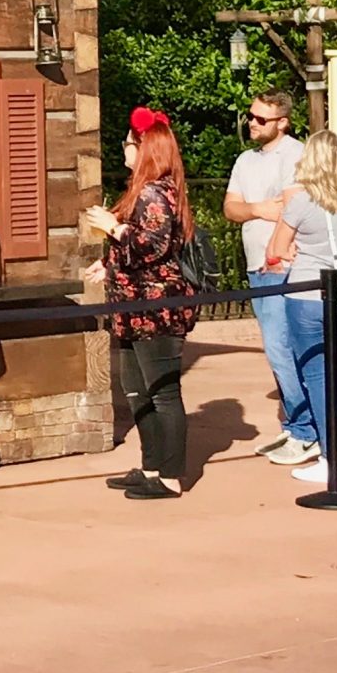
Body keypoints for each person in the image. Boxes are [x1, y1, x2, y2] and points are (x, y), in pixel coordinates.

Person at [83, 106, 199, 500]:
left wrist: (112, 227)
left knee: (163, 392)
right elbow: (138, 248)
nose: (124, 148)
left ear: (145, 148)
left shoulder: (154, 193)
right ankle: (151, 466)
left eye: (129, 143)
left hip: (156, 309)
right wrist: (107, 263)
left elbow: (152, 245)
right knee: (136, 388)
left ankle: (170, 476)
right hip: (134, 307)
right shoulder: (145, 189)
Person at [267, 126, 337, 486]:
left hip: (307, 295)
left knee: (315, 377)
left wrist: (292, 251)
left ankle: (329, 457)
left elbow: (276, 249)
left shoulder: (302, 201)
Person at [223, 89, 312, 465]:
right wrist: (259, 207)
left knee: (282, 347)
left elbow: (291, 208)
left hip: (282, 265)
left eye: (261, 118)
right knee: (277, 348)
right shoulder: (245, 160)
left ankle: (306, 429)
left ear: (283, 122)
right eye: (251, 116)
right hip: (256, 264)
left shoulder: (296, 155)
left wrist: (273, 247)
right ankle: (296, 424)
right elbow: (230, 209)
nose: (252, 123)